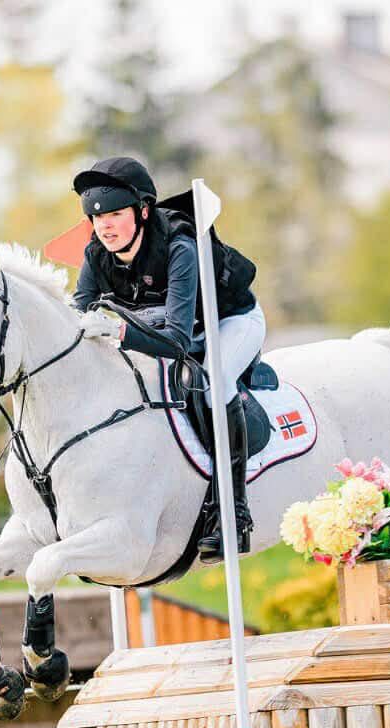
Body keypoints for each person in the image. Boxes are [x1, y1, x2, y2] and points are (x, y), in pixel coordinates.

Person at [71, 156, 265, 561]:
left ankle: (233, 514)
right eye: (97, 217)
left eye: (115, 214)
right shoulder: (96, 254)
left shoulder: (179, 246)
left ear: (143, 211)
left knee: (213, 383)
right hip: (167, 331)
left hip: (227, 323)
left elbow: (177, 342)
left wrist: (118, 332)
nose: (104, 226)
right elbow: (79, 315)